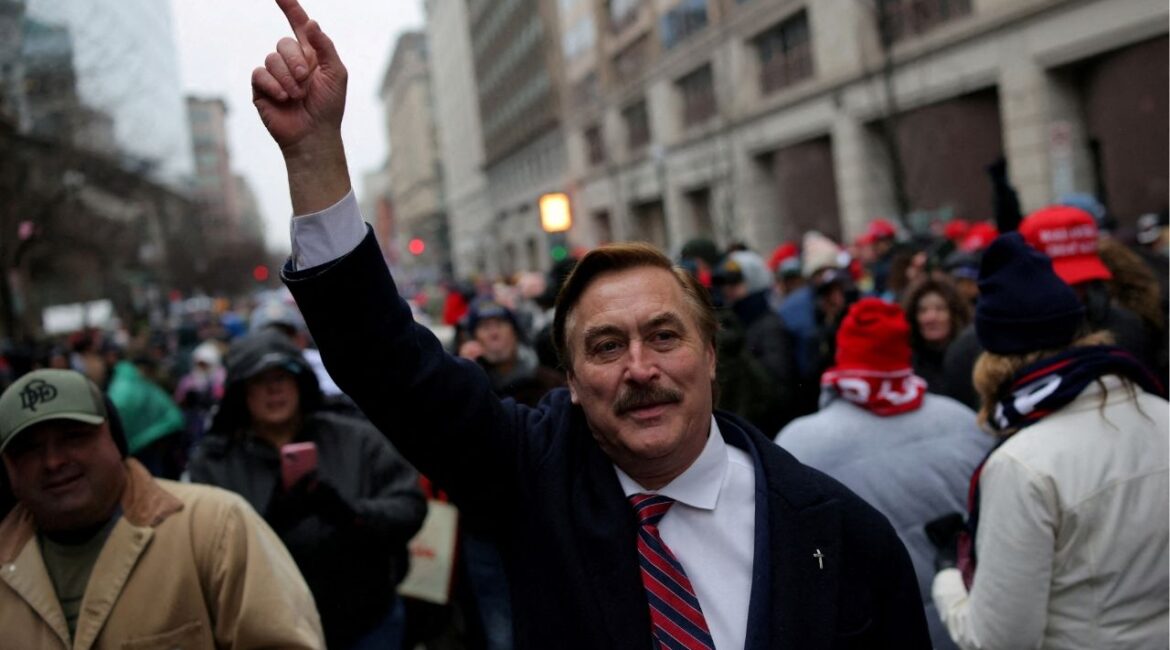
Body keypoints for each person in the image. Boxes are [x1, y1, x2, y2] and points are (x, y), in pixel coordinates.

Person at [252, 3, 931, 648]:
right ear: (571, 381)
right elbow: (387, 362)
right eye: (606, 346)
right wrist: (315, 158)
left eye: (665, 336)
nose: (640, 368)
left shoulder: (842, 534)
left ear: (712, 355)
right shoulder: (533, 475)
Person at [930, 233, 1169, 649]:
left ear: (991, 357)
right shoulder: (1159, 411)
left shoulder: (1022, 465)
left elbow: (1000, 640)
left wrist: (948, 578)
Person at [0, 369, 324, 648]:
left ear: (115, 441)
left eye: (74, 437)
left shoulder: (216, 526)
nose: (53, 461)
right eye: (28, 449)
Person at [188, 329, 426, 650]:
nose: (274, 390)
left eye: (283, 377)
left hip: (367, 621)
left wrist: (351, 515)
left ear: (301, 384)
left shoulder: (357, 439)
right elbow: (204, 553)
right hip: (269, 631)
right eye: (261, 380)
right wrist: (269, 522)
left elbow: (410, 507)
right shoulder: (215, 462)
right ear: (241, 392)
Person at [776, 298, 993, 649]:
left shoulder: (799, 445)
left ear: (843, 355)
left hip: (873, 631)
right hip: (967, 622)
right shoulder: (964, 422)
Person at [458, 298, 563, 407]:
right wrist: (466, 375)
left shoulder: (549, 382)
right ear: (474, 339)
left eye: (500, 324)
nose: (494, 333)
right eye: (485, 327)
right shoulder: (471, 380)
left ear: (515, 333)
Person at [901, 276, 971, 393]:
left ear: (955, 314)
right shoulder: (905, 363)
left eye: (940, 309)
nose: (931, 318)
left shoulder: (970, 359)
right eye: (922, 310)